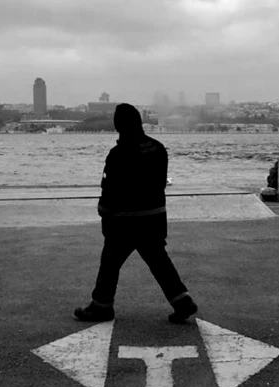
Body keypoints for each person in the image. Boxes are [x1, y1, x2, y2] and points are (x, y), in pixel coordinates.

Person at [74, 103, 198, 323]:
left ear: (118, 124)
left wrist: (104, 213)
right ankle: (183, 302)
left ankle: (102, 307)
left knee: (110, 265)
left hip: (124, 222)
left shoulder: (118, 154)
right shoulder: (158, 148)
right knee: (160, 263)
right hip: (155, 219)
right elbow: (160, 183)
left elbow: (110, 191)